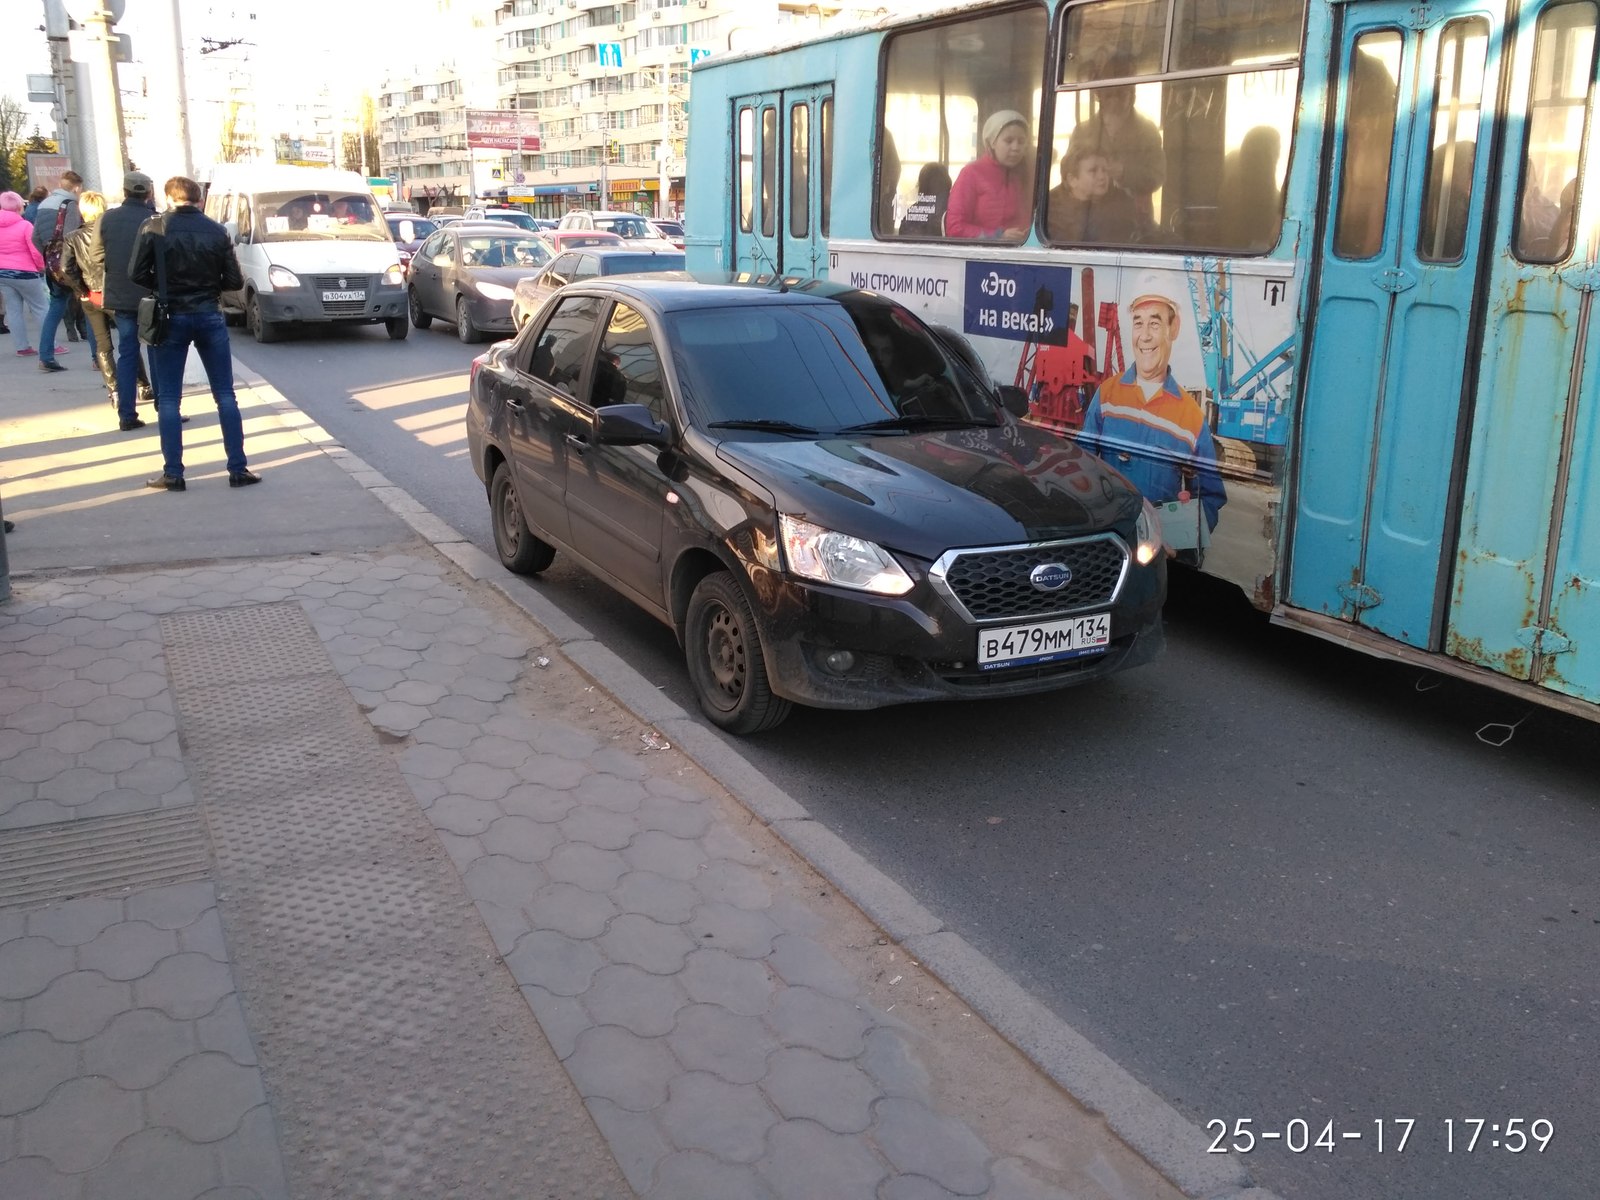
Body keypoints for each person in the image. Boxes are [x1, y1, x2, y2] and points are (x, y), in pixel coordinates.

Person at [130, 176, 259, 492]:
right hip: (208, 314)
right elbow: (232, 281)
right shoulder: (216, 231)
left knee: (170, 398)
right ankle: (238, 469)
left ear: (169, 198)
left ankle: (173, 473)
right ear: (198, 198)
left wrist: (163, 285)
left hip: (169, 315)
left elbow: (135, 272)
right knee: (225, 394)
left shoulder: (154, 227)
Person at [1075, 278, 1226, 537]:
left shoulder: (1190, 417)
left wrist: (1182, 539)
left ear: (1173, 328)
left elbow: (1209, 497)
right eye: (1138, 323)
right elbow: (1081, 466)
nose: (1144, 336)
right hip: (1107, 540)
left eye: (1154, 323)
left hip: (1157, 550)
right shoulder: (1107, 395)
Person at [61, 190, 143, 431]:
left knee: (102, 345)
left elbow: (67, 268)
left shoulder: (73, 237)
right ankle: (142, 383)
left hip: (90, 296)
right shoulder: (111, 231)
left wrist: (80, 289)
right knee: (129, 342)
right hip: (115, 295)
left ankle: (114, 390)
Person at [1067, 60, 1165, 227]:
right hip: (1088, 217)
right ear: (1098, 96)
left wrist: (1124, 172)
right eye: (1108, 94)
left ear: (1132, 94)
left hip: (1135, 218)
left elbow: (1157, 176)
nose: (1114, 99)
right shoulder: (1082, 131)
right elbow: (1069, 173)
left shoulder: (1147, 131)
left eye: (1120, 93)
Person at [98, 171, 160, 420]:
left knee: (127, 353)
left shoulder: (107, 219)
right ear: (148, 193)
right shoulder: (155, 220)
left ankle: (126, 413)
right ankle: (165, 409)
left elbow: (96, 256)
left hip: (120, 295)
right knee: (156, 351)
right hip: (151, 296)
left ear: (125, 191)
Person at [946, 110, 1034, 240]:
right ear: (992, 142)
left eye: (1021, 142)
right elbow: (955, 228)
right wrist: (998, 235)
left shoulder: (1026, 174)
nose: (1016, 147)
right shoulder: (971, 173)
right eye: (1008, 141)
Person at [31, 169, 85, 372]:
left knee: (55, 309)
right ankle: (98, 358)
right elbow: (72, 236)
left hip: (51, 266)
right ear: (77, 187)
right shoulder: (70, 204)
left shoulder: (44, 204)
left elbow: (34, 237)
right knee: (88, 307)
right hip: (68, 265)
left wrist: (49, 256)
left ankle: (45, 356)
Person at [1046, 146, 1144, 244]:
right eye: (1093, 171)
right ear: (1072, 180)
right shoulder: (1049, 209)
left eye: (1105, 170)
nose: (1102, 176)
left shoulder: (1122, 203)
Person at [0, 191, 51, 358]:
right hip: (26, 272)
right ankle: (50, 345)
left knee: (13, 310)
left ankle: (22, 347)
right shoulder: (25, 226)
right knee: (41, 307)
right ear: (19, 206)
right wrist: (41, 267)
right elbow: (35, 251)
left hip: (3, 273)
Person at [897, 162, 951, 237]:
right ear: (947, 181)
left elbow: (903, 237)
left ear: (922, 183)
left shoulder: (914, 211)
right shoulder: (953, 207)